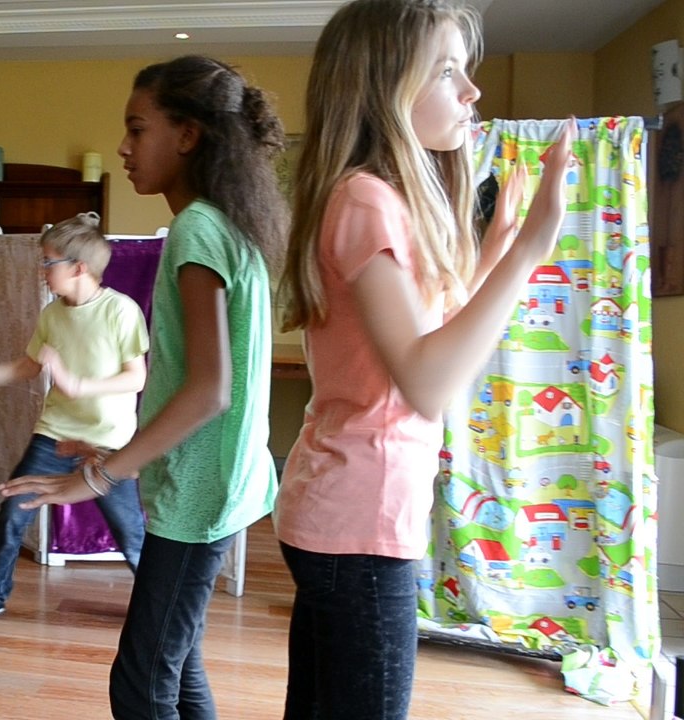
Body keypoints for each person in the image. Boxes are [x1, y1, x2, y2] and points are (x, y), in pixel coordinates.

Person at [273, 1, 575, 717]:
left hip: (343, 514)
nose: (471, 91)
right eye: (446, 71)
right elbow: (427, 381)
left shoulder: (373, 200)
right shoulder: (366, 201)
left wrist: (499, 249)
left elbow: (424, 338)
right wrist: (529, 250)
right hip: (357, 524)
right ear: (383, 90)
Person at [1, 56, 287, 718]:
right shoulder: (224, 223)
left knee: (141, 684)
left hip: (198, 495)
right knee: (175, 666)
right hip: (213, 483)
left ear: (188, 134)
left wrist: (103, 480)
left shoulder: (196, 229)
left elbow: (211, 389)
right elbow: (198, 384)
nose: (124, 149)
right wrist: (114, 454)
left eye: (137, 128)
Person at [0, 212, 148, 628]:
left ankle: (157, 609)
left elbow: (137, 375)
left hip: (108, 444)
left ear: (78, 268)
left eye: (48, 262)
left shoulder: (120, 311)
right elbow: (26, 367)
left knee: (131, 535)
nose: (42, 271)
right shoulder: (52, 315)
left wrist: (78, 384)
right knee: (13, 512)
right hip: (54, 435)